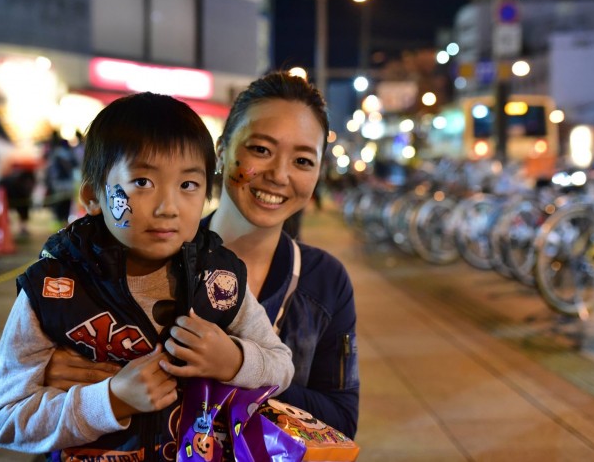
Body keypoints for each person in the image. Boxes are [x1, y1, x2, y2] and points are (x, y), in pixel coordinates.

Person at [45, 72, 360, 439]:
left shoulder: (325, 280)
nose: (279, 175)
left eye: (303, 161)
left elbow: (341, 420)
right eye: (260, 149)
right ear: (222, 152)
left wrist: (232, 365)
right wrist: (64, 381)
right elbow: (28, 409)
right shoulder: (123, 258)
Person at [0, 92, 294, 460]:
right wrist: (110, 400)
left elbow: (281, 366)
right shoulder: (53, 290)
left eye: (188, 185)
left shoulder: (218, 280)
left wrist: (234, 361)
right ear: (93, 196)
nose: (168, 208)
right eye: (142, 182)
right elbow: (2, 417)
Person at [44, 130, 79, 227]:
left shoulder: (55, 154)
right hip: (68, 183)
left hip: (58, 183)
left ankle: (58, 222)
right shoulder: (71, 154)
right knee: (66, 203)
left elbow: (51, 170)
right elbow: (76, 165)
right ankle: (64, 222)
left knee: (58, 203)